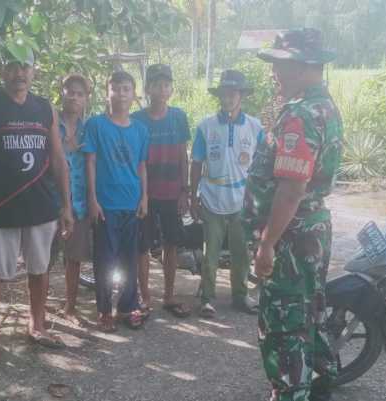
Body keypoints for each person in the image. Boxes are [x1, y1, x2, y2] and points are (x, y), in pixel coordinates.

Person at [0, 50, 74, 368]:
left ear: (34, 70)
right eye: (12, 66)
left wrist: (66, 205)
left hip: (41, 206)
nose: (18, 72)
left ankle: (36, 325)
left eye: (24, 65)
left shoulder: (44, 108)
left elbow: (59, 160)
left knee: (40, 269)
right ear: (1, 70)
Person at [246, 29, 343, 401]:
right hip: (310, 232)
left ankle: (289, 393)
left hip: (290, 236)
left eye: (280, 65)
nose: (274, 72)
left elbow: (290, 190)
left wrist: (268, 244)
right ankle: (317, 384)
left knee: (283, 325)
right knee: (306, 313)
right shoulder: (325, 107)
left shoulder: (300, 116)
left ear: (303, 67)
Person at [190, 69, 263, 318]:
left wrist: (260, 200)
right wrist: (193, 196)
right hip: (212, 199)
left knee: (241, 254)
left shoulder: (255, 127)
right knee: (210, 253)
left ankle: (240, 296)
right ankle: (207, 298)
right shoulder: (206, 126)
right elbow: (196, 163)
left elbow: (263, 165)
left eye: (234, 93)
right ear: (219, 95)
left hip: (242, 201)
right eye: (225, 93)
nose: (229, 97)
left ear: (241, 95)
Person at [82, 70, 150, 332]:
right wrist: (92, 199)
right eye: (116, 88)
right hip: (105, 205)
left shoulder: (141, 130)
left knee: (129, 259)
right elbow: (90, 162)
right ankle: (103, 310)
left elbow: (142, 165)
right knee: (105, 259)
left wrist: (144, 197)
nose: (120, 94)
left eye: (126, 89)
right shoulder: (96, 125)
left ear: (134, 95)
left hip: (131, 203)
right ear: (106, 92)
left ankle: (127, 307)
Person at [131, 64, 192, 319]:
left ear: (171, 88)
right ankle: (144, 296)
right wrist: (138, 194)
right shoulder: (136, 119)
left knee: (171, 243)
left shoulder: (178, 116)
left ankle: (168, 295)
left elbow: (183, 156)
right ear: (147, 89)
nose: (162, 89)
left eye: (166, 84)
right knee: (142, 246)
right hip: (145, 193)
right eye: (156, 84)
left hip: (171, 191)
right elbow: (134, 158)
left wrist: (184, 191)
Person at [57, 74, 92, 326]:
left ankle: (70, 306)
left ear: (86, 98)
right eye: (70, 91)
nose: (74, 97)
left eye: (80, 93)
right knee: (42, 259)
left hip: (79, 202)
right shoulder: (50, 123)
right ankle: (37, 307)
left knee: (74, 257)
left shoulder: (88, 129)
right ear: (62, 93)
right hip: (50, 200)